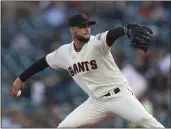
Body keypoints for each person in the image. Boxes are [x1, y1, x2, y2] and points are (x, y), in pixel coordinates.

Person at [12, 13, 164, 128]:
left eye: (88, 26)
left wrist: (125, 30)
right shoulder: (64, 53)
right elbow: (43, 63)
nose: (87, 29)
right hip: (96, 102)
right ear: (72, 29)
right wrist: (21, 79)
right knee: (64, 127)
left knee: (149, 122)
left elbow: (111, 35)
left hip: (120, 97)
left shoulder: (96, 42)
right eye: (83, 26)